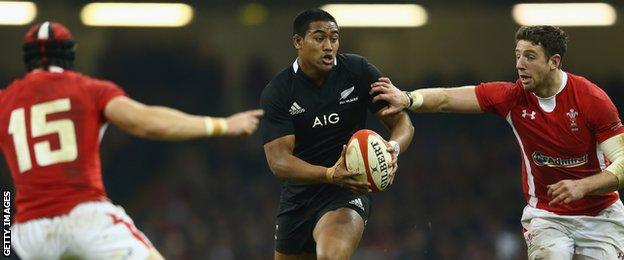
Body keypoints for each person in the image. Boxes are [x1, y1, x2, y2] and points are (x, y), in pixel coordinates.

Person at [0, 21, 263, 260]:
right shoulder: (90, 89)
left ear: (27, 57)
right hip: (86, 219)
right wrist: (221, 125)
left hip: (28, 234)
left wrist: (5, 218)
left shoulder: (5, 101)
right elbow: (147, 122)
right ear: (70, 53)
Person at [370, 25, 624, 259]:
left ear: (554, 62)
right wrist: (407, 98)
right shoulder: (513, 98)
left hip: (600, 217)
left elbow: (622, 163)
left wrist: (582, 187)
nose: (520, 65)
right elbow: (447, 98)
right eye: (518, 55)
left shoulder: (592, 99)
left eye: (530, 57)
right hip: (548, 216)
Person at [260, 9, 414, 260]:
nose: (329, 46)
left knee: (331, 256)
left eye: (334, 38)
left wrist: (393, 148)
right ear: (298, 42)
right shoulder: (279, 91)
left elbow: (404, 123)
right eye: (319, 38)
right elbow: (279, 162)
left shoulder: (358, 72)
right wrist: (330, 174)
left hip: (347, 191)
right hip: (298, 199)